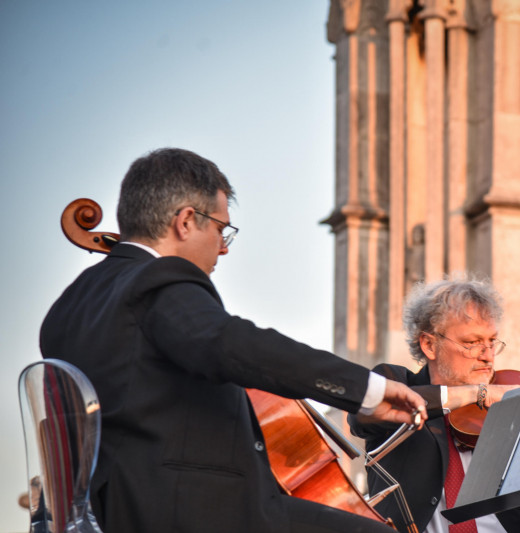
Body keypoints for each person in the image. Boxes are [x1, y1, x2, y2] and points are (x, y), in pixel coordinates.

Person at [39, 148, 428, 533]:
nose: (223, 247)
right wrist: (368, 390)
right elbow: (233, 344)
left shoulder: (69, 305)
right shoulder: (159, 281)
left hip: (114, 511)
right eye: (220, 229)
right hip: (192, 510)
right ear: (185, 222)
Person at [348, 278, 520, 533]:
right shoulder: (396, 383)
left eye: (491, 342)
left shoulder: (504, 401)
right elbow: (362, 416)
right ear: (430, 345)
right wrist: (478, 393)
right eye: (472, 343)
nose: (488, 356)